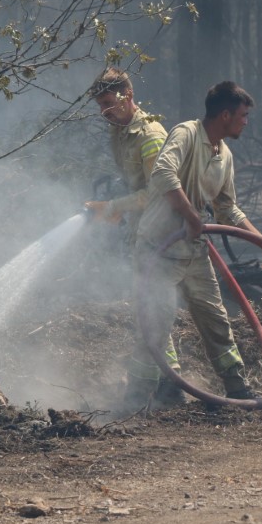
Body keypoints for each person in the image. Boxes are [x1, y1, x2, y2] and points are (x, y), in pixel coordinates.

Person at [128, 80, 262, 408]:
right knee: (156, 321)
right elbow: (163, 173)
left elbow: (228, 209)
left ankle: (236, 386)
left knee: (216, 320)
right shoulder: (186, 134)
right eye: (243, 116)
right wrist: (191, 217)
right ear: (226, 114)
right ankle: (137, 396)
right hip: (157, 250)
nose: (246, 122)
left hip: (193, 253)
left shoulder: (224, 156)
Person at [83, 67, 183, 410]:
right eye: (100, 106)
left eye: (109, 103)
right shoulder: (120, 131)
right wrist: (118, 209)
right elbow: (136, 190)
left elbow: (158, 194)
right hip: (144, 232)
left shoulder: (150, 134)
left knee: (152, 309)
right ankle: (172, 385)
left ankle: (147, 393)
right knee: (150, 309)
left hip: (163, 236)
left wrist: (112, 206)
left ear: (128, 94)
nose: (104, 112)